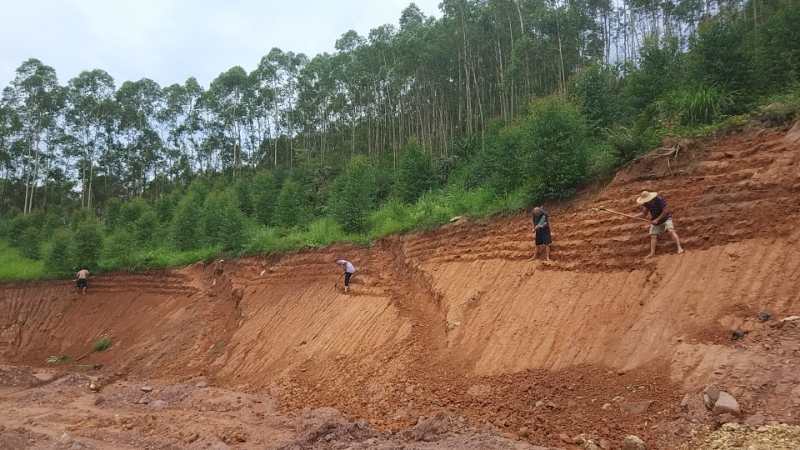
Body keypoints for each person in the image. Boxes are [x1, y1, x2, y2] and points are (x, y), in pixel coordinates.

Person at [636, 190, 684, 258]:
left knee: (671, 231)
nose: (646, 201)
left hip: (666, 218)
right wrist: (635, 216)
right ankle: (652, 253)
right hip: (655, 221)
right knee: (653, 235)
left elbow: (665, 210)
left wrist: (657, 219)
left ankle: (679, 248)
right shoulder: (646, 203)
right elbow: (644, 213)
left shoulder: (659, 200)